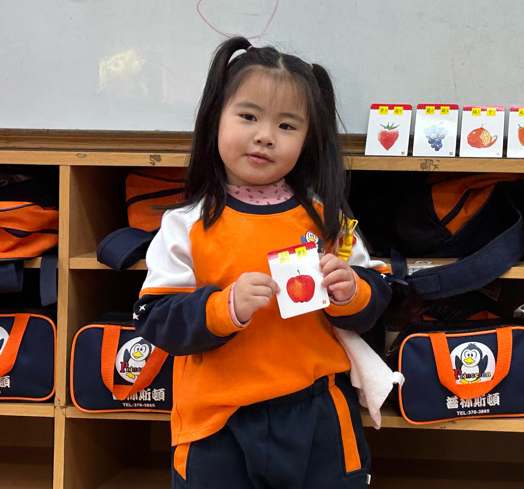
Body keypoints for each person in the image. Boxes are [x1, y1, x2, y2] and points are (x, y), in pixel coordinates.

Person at [132, 36, 391, 488]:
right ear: (216, 118)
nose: (265, 136)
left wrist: (351, 290)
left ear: (308, 139)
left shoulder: (326, 218)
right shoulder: (186, 224)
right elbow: (156, 320)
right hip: (217, 422)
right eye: (248, 116)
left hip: (318, 416)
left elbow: (377, 297)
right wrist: (224, 308)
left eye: (287, 126)